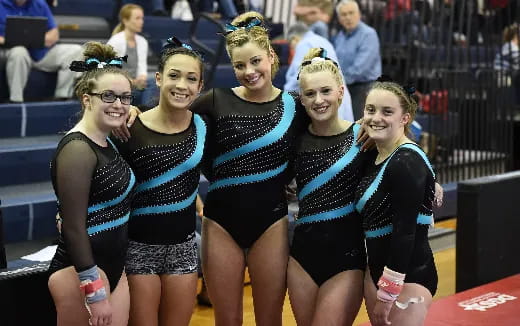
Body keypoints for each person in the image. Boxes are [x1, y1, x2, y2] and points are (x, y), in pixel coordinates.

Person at [109, 36, 206, 326]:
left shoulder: (203, 124)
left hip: (184, 249)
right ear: (159, 78)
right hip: (139, 248)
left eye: (191, 79)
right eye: (174, 76)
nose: (182, 85)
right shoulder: (130, 126)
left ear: (200, 87)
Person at [47, 41, 135, 326]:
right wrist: (94, 292)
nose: (119, 104)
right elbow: (73, 227)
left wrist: (128, 113)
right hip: (80, 273)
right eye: (108, 96)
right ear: (87, 99)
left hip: (113, 266)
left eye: (126, 97)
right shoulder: (77, 150)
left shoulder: (105, 139)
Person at [287, 47, 367, 325]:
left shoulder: (362, 136)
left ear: (341, 92)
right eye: (310, 94)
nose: (319, 100)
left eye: (326, 91)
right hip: (301, 258)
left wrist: (432, 182)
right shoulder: (294, 139)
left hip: (346, 259)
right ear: (302, 99)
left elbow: (403, 150)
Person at [355, 78, 438, 326]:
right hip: (378, 273)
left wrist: (388, 292)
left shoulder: (406, 161)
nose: (376, 117)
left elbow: (405, 233)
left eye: (387, 111)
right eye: (370, 110)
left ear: (405, 118)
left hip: (407, 276)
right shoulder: (376, 153)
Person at [0, 0, 83, 103]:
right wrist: (6, 40)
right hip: (13, 50)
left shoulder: (39, 3)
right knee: (19, 52)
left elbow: (54, 32)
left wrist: (40, 39)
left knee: (76, 50)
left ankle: (62, 97)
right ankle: (16, 100)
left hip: (40, 51)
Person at [284, 22, 354, 122]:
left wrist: (284, 101)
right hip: (338, 96)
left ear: (294, 39)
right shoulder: (322, 41)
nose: (292, 49)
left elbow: (298, 77)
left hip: (322, 100)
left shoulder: (304, 44)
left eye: (291, 45)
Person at [333, 0, 381, 120]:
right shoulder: (340, 36)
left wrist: (339, 82)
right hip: (345, 87)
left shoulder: (368, 34)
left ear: (359, 15)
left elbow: (360, 68)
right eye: (344, 14)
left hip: (364, 89)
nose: (348, 17)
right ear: (339, 19)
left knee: (359, 127)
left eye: (351, 13)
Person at [108, 3, 158, 108]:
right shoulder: (115, 41)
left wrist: (142, 78)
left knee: (155, 80)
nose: (141, 22)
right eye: (137, 18)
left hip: (134, 86)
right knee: (151, 84)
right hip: (117, 86)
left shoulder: (142, 41)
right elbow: (110, 71)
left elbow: (142, 66)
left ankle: (144, 113)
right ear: (125, 21)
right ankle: (145, 113)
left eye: (142, 18)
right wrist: (131, 81)